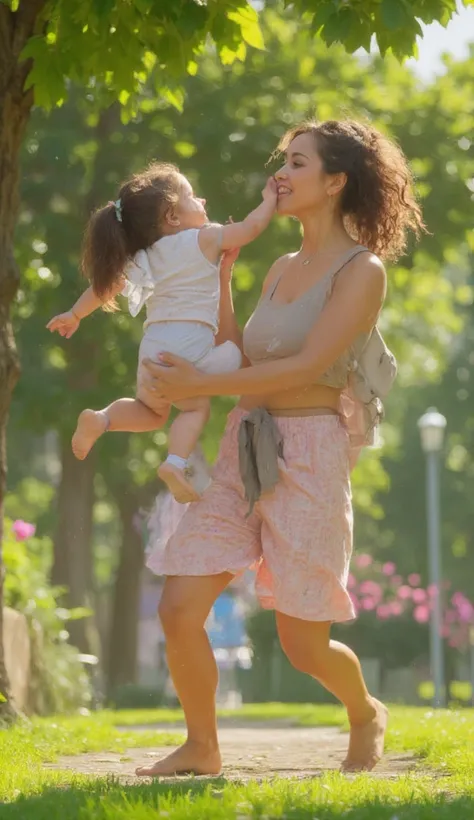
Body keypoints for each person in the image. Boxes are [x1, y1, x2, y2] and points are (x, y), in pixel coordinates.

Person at [135, 119, 426, 777]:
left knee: (301, 643)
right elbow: (243, 349)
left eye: (297, 164)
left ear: (335, 181)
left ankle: (364, 712)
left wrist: (205, 381)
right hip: (246, 442)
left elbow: (306, 367)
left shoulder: (362, 271)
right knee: (179, 607)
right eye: (282, 163)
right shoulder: (282, 265)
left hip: (311, 454)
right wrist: (224, 280)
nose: (281, 175)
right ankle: (202, 747)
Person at [47, 162, 277, 502]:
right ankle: (175, 461)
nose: (201, 199)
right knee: (202, 399)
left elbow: (105, 287)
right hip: (186, 350)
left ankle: (103, 418)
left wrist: (75, 314)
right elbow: (252, 227)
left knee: (152, 412)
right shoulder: (206, 237)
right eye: (191, 196)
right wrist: (270, 198)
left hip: (153, 351)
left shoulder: (145, 256)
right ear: (172, 216)